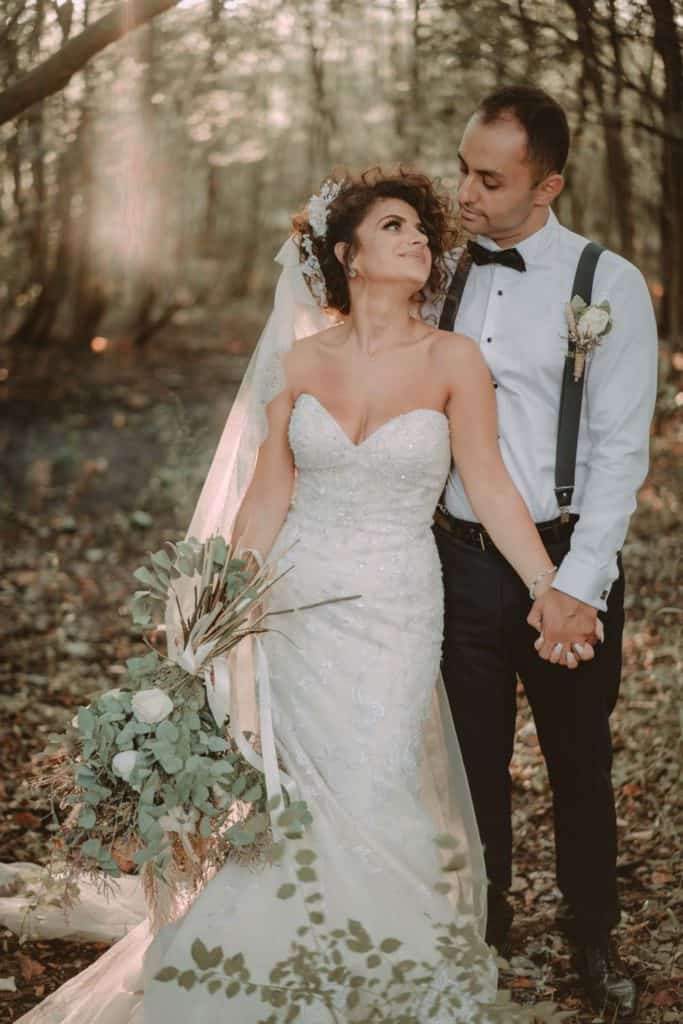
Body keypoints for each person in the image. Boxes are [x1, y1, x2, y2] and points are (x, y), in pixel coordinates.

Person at [6, 169, 591, 1024]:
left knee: (376, 777)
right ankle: (259, 969)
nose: (418, 240)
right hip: (292, 603)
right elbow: (269, 497)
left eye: (421, 230)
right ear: (348, 256)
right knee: (286, 794)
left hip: (394, 604)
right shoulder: (300, 361)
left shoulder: (453, 359)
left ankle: (378, 971)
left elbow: (491, 485)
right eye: (395, 228)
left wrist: (550, 585)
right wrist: (214, 616)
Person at [425, 86, 657, 1021]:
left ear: (547, 185)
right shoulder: (436, 269)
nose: (465, 193)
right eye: (462, 170)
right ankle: (482, 932)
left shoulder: (608, 285)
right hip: (455, 562)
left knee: (578, 761)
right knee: (468, 760)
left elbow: (618, 452)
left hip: (564, 560)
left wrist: (576, 587)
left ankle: (591, 936)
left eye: (489, 180)